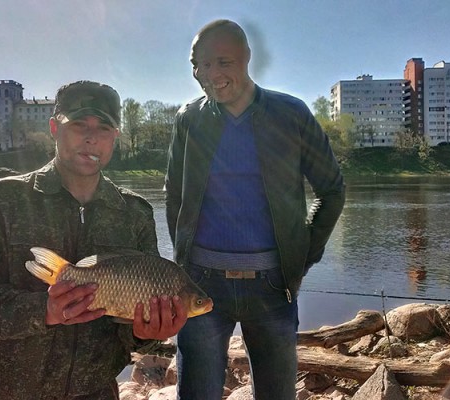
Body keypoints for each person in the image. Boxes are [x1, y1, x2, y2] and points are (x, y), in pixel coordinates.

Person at [0, 80, 187, 400]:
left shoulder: (135, 213)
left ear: (115, 136)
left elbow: (132, 332)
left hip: (96, 392)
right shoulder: (2, 200)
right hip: (5, 392)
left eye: (103, 127)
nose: (90, 137)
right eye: (78, 125)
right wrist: (43, 309)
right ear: (54, 129)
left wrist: (147, 335)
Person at [165, 20, 346, 399]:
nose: (210, 75)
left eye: (222, 62)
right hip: (200, 283)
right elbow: (174, 197)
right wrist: (183, 261)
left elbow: (331, 190)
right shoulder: (189, 119)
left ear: (246, 57)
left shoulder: (291, 114)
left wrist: (301, 256)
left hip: (273, 287)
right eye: (200, 65)